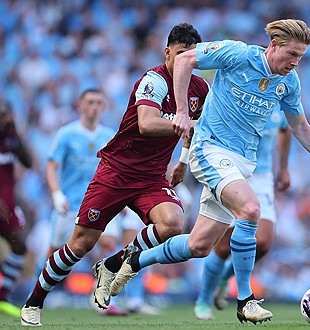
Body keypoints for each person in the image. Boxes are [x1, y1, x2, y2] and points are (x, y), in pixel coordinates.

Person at [108, 19, 310, 325]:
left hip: (242, 162)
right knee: (250, 210)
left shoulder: (289, 82)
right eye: (291, 53)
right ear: (274, 45)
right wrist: (182, 112)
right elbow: (187, 59)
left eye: (301, 56)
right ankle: (245, 300)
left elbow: (299, 126)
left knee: (199, 246)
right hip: (210, 149)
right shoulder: (237, 54)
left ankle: (134, 260)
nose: (295, 62)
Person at [20, 23, 209, 327]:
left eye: (192, 56)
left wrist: (183, 162)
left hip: (151, 177)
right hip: (116, 172)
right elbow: (147, 123)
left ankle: (113, 264)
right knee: (80, 245)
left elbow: (192, 131)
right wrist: (186, 124)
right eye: (180, 54)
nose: (186, 60)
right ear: (167, 53)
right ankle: (34, 302)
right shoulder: (153, 80)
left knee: (173, 222)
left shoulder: (200, 89)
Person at [194, 107, 291, 320]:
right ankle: (203, 299)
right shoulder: (243, 98)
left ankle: (224, 279)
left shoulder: (280, 104)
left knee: (263, 243)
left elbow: (286, 128)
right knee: (222, 245)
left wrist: (283, 167)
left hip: (262, 175)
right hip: (233, 173)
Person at [43, 88, 128, 316]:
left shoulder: (110, 136)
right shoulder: (66, 134)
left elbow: (119, 169)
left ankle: (99, 298)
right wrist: (56, 194)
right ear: (79, 105)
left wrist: (124, 202)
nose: (94, 106)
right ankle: (43, 293)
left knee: (109, 245)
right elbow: (51, 167)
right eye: (90, 102)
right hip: (70, 203)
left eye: (99, 102)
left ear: (104, 107)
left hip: (102, 203)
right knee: (56, 252)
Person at [0, 100, 33, 317]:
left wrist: (16, 134)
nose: (6, 120)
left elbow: (28, 162)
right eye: (3, 117)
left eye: (8, 116)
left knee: (19, 245)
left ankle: (2, 295)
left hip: (7, 206)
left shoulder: (10, 139)